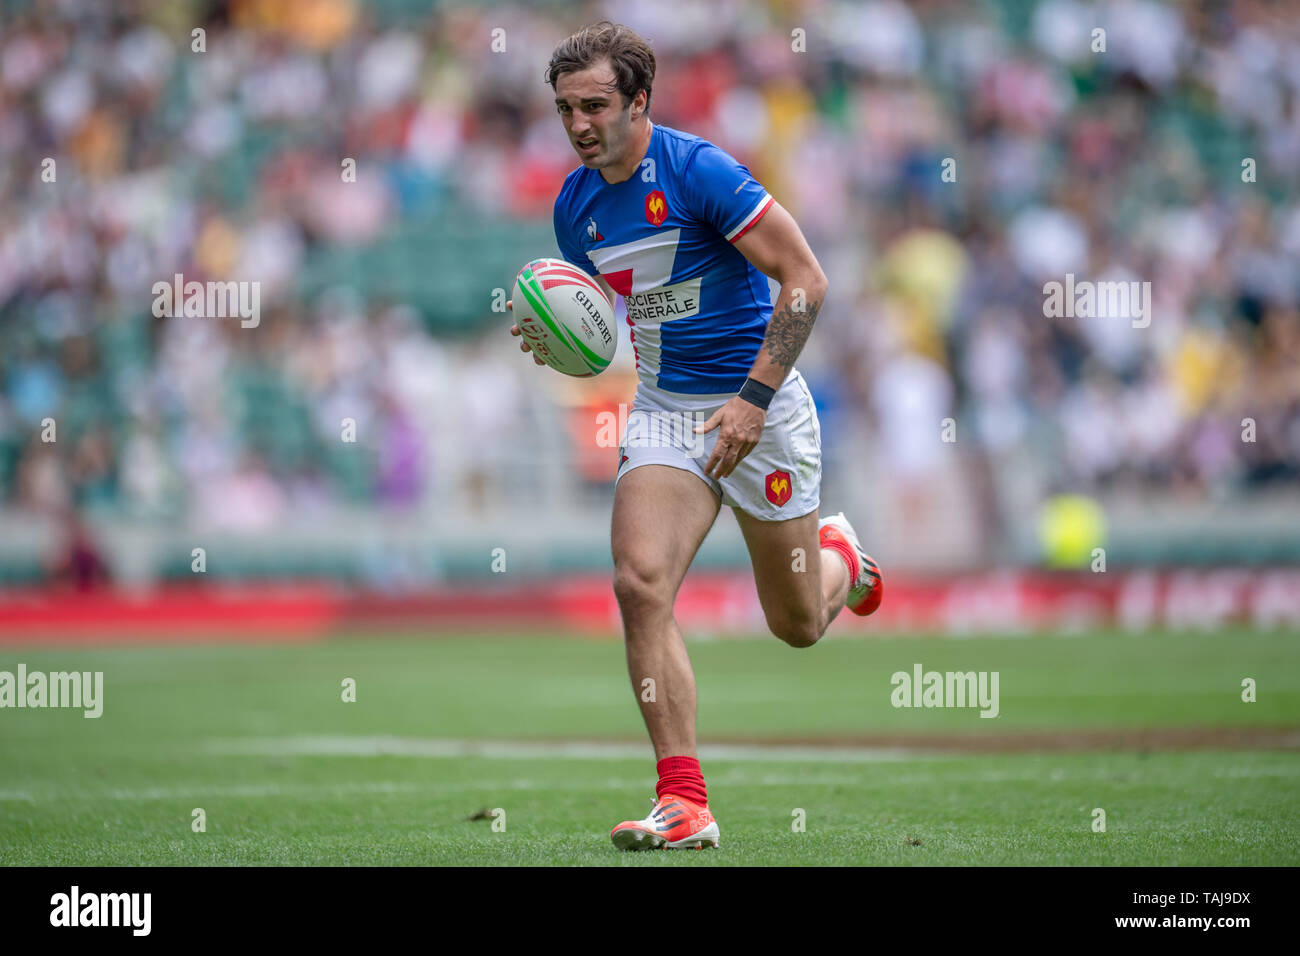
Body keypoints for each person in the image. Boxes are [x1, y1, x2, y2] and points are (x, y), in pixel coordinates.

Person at [507, 21, 883, 851]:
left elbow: (806, 281)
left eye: (595, 106)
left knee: (796, 626)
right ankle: (684, 800)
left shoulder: (700, 170)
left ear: (640, 101)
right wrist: (555, 340)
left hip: (764, 405)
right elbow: (612, 325)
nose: (577, 125)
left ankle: (843, 562)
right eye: (565, 109)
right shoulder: (576, 209)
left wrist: (753, 398)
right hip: (667, 412)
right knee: (640, 583)